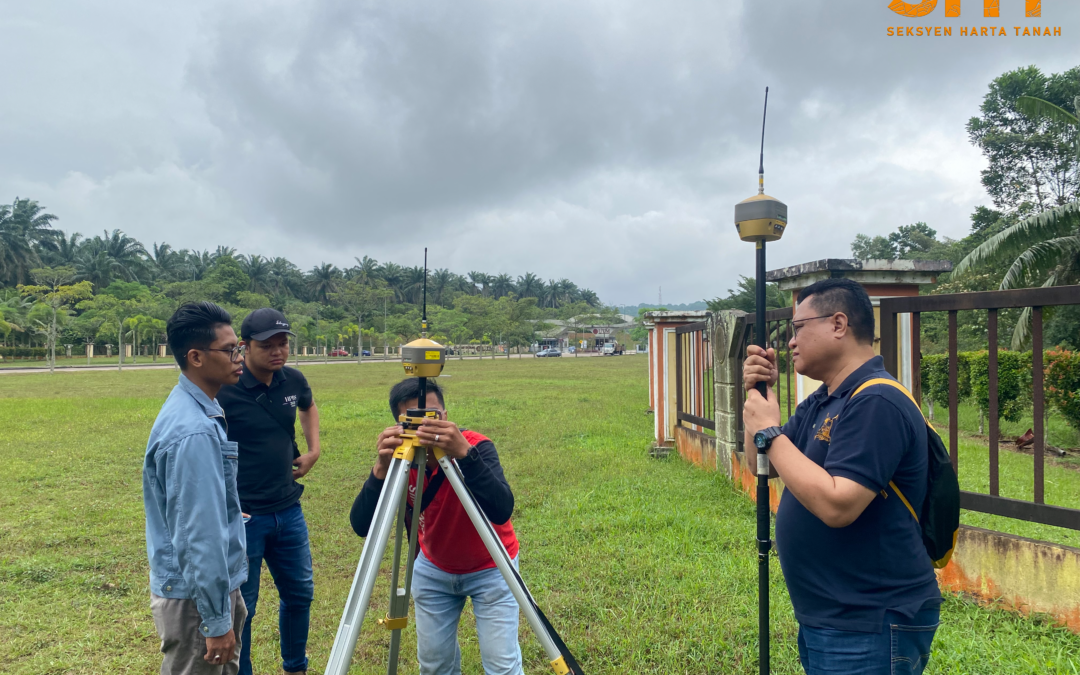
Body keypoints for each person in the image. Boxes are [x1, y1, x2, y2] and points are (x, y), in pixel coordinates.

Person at [742, 278, 941, 675]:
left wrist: (769, 432)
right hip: (833, 616)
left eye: (798, 328)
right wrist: (762, 409)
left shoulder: (876, 401)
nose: (790, 341)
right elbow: (761, 466)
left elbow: (839, 505)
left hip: (871, 620)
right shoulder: (826, 399)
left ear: (838, 324)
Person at [350, 378, 523, 675]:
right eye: (415, 420)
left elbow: (502, 508)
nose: (428, 427)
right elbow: (361, 525)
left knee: (502, 666)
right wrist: (380, 469)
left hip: (492, 566)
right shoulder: (400, 461)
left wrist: (466, 456)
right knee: (434, 666)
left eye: (434, 417)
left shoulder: (476, 445)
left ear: (446, 414)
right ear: (398, 424)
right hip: (434, 569)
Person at [143, 302, 248, 674]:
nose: (240, 357)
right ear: (196, 357)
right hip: (196, 602)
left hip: (202, 593)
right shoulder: (194, 431)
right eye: (231, 349)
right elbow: (197, 536)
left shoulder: (197, 409)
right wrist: (217, 622)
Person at [217, 308, 320, 675]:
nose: (278, 352)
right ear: (244, 347)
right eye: (267, 346)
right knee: (245, 606)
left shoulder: (292, 379)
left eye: (283, 343)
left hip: (289, 509)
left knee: (299, 595)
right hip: (245, 516)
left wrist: (314, 449)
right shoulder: (227, 387)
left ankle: (295, 666)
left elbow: (308, 406)